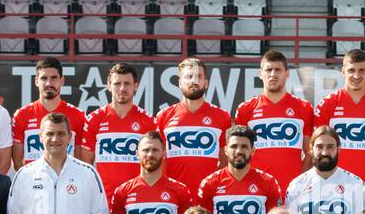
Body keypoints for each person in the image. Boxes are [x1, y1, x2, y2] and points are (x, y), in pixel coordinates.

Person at [8, 112, 109, 214]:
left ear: (69, 137)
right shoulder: (24, 175)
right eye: (50, 134)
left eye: (61, 134)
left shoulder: (88, 173)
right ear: (40, 137)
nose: (55, 139)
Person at [196, 125, 283, 214]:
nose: (239, 151)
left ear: (252, 151)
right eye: (234, 146)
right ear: (225, 150)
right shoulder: (210, 183)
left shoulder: (268, 182)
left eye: (244, 146)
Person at [235, 49, 314, 193]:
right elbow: (239, 153)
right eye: (268, 70)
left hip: (293, 191)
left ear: (287, 73)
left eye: (278, 70)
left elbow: (309, 153)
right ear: (260, 74)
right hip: (255, 190)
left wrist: (298, 180)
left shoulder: (304, 108)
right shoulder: (245, 109)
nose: (273, 74)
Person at [315, 48, 365, 184]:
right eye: (351, 70)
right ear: (343, 71)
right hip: (334, 185)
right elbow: (318, 152)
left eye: (362, 70)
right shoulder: (327, 105)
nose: (356, 76)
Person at [155, 57, 232, 193]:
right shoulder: (164, 116)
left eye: (199, 76)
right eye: (189, 77)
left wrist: (215, 186)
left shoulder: (222, 116)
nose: (193, 81)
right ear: (179, 83)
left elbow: (225, 160)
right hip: (174, 195)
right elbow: (159, 159)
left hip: (208, 195)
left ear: (206, 83)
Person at [84, 62, 155, 198]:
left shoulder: (149, 121)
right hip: (103, 198)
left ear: (135, 86)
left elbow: (156, 165)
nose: (122, 88)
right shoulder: (94, 119)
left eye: (127, 83)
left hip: (138, 198)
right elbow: (85, 166)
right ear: (109, 86)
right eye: (117, 84)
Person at [11, 57, 92, 167]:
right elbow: (17, 162)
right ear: (36, 81)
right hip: (33, 181)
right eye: (44, 78)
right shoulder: (21, 115)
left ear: (62, 80)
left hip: (67, 181)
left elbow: (80, 160)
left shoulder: (78, 115)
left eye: (54, 78)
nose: (49, 83)